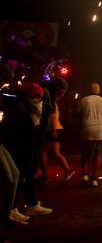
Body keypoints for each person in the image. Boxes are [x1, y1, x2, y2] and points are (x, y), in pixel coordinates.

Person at [1, 83, 53, 217]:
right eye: (38, 97)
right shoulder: (20, 107)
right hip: (21, 146)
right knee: (18, 175)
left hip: (27, 145)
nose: (40, 100)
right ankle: (11, 209)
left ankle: (25, 205)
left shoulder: (28, 106)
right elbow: (18, 129)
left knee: (25, 174)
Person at [0, 64, 29, 227]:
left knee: (15, 174)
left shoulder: (3, 94)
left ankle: (7, 214)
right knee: (8, 178)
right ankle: (4, 216)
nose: (5, 85)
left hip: (0, 141)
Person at [37, 76, 75, 183]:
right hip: (57, 129)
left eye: (63, 93)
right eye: (60, 93)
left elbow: (52, 117)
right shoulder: (52, 102)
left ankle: (44, 175)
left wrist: (53, 130)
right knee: (55, 152)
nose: (62, 95)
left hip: (52, 129)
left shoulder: (51, 102)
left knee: (42, 152)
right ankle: (68, 170)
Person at [78, 83, 102, 187]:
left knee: (86, 154)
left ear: (89, 90)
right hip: (101, 132)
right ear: (99, 91)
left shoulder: (83, 100)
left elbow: (77, 114)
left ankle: (84, 175)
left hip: (87, 130)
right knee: (98, 155)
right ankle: (94, 179)